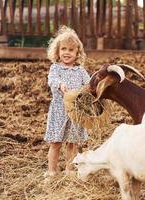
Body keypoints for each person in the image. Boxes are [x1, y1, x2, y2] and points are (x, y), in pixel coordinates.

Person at [44, 26, 90, 177]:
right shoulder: (55, 68)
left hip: (75, 112)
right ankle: (52, 171)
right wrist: (60, 85)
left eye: (71, 50)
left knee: (72, 142)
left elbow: (88, 85)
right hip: (59, 110)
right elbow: (52, 80)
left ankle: (70, 170)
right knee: (56, 143)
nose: (66, 52)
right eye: (63, 49)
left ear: (77, 53)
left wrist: (89, 92)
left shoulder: (80, 71)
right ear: (57, 51)